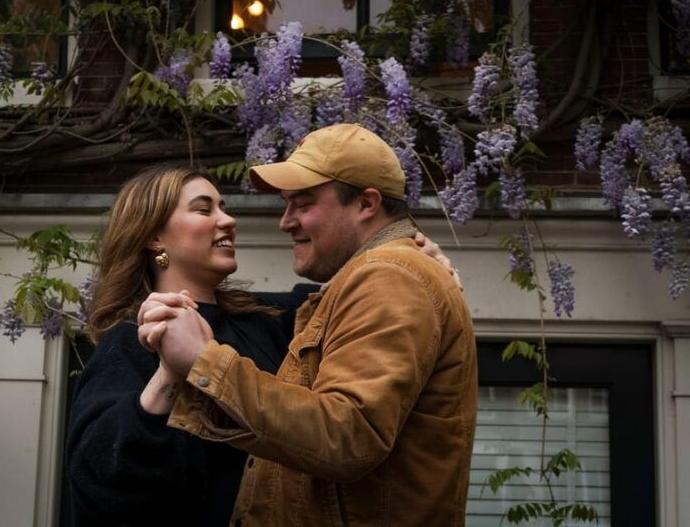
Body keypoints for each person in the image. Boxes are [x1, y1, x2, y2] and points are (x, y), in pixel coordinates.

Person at [65, 164, 456, 526]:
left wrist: (414, 260)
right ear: (153, 236)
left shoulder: (278, 319)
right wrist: (170, 371)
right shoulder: (130, 342)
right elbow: (100, 483)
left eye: (224, 207)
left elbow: (365, 293)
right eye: (205, 210)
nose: (229, 220)